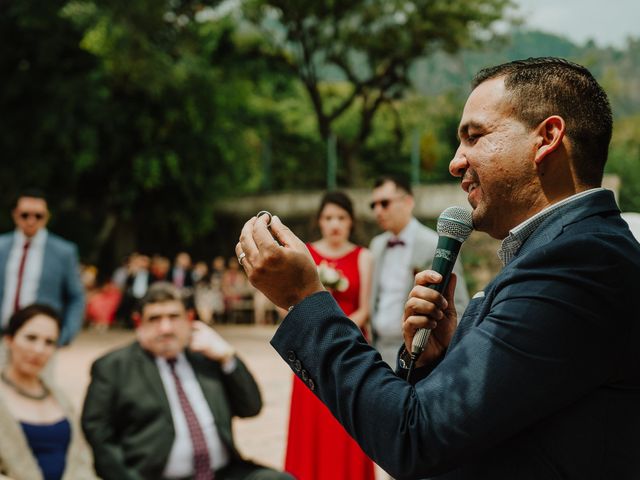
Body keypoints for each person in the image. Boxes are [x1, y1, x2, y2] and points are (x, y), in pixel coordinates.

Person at [236, 57, 640, 479]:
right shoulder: (565, 250)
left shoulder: (582, 262)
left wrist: (304, 301)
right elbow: (488, 423)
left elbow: (415, 436)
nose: (455, 162)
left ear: (547, 138)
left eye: (474, 137)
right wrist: (442, 360)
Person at [81, 282, 292, 480]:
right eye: (155, 319)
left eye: (174, 317)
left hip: (223, 473)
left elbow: (251, 407)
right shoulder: (114, 367)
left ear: (189, 319)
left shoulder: (206, 358)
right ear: (138, 322)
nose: (166, 328)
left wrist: (228, 357)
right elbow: (99, 436)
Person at [285, 191, 375, 480]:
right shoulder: (304, 253)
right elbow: (289, 302)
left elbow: (364, 309)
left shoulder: (365, 257)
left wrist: (338, 333)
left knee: (346, 423)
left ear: (351, 222)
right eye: (328, 218)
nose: (335, 224)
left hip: (349, 349)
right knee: (311, 424)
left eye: (341, 217)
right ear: (319, 222)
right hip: (311, 350)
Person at [369, 176, 469, 366]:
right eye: (373, 205)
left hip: (417, 352)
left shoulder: (436, 244)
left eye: (384, 203)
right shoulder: (377, 245)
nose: (378, 211)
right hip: (378, 350)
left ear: (408, 202)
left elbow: (460, 305)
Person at [0, 304, 97, 479]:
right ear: (9, 340)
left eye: (49, 342)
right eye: (31, 338)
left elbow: (81, 459)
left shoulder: (59, 398)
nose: (39, 350)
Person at [0, 190, 84, 347]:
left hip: (41, 341)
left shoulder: (63, 251)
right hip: (3, 335)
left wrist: (66, 334)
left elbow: (76, 297)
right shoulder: (2, 246)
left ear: (47, 217)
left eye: (38, 216)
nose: (31, 221)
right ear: (15, 215)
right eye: (25, 215)